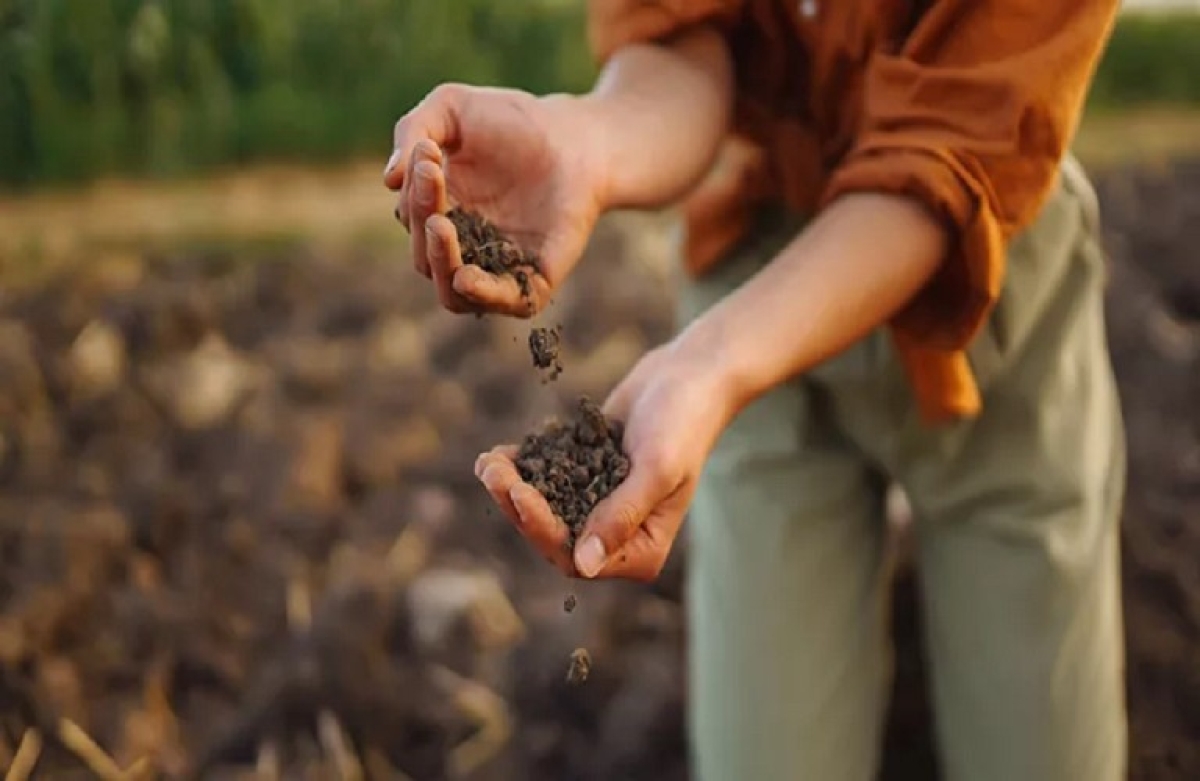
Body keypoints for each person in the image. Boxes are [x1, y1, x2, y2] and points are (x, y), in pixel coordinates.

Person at [385, 1, 1128, 778]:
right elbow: (690, 41)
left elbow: (948, 152)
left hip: (982, 274)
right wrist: (584, 139)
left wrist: (708, 363)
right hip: (754, 267)